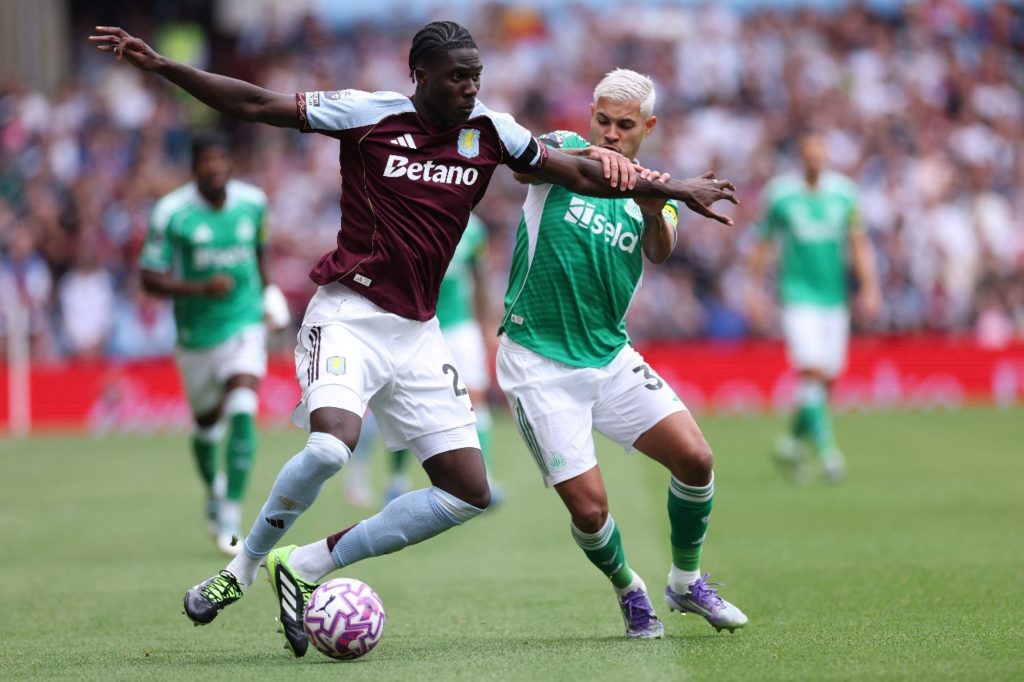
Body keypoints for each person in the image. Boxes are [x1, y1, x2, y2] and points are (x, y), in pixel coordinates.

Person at [91, 21, 737, 658]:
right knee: (330, 447)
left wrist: (677, 189)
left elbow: (583, 175)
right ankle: (244, 568)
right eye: (458, 78)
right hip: (348, 312)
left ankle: (304, 562)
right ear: (420, 76)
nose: (470, 89)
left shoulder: (491, 131)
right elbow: (257, 104)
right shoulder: (368, 113)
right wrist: (164, 67)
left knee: (467, 493)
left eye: (476, 77)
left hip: (417, 333)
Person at [494, 69, 747, 638]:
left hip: (610, 358)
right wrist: (594, 155)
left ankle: (686, 583)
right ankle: (629, 588)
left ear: (648, 127)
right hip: (537, 360)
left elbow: (660, 250)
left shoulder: (656, 190)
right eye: (603, 120)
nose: (611, 133)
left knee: (696, 459)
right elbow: (521, 164)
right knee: (590, 511)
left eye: (625, 126)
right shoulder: (563, 148)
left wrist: (655, 207)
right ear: (591, 116)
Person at [138, 131, 290, 555]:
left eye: (222, 159)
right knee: (207, 427)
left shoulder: (253, 202)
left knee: (243, 407)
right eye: (208, 160)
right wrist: (200, 289)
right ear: (194, 167)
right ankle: (214, 490)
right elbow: (149, 278)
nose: (216, 167)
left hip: (244, 322)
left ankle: (231, 514)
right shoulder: (172, 213)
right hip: (196, 335)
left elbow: (261, 250)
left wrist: (270, 292)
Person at [749, 129, 880, 483]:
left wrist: (869, 288)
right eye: (809, 152)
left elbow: (859, 244)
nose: (815, 158)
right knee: (812, 371)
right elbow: (762, 246)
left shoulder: (844, 194)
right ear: (801, 156)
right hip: (797, 296)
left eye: (820, 152)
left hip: (834, 297)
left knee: (827, 380)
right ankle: (828, 453)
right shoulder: (780, 195)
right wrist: (755, 292)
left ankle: (791, 443)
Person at [380, 212, 503, 506]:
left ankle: (484, 479)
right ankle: (397, 481)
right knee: (405, 403)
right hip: (415, 325)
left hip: (459, 325)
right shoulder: (409, 217)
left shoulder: (473, 228)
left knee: (474, 399)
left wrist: (487, 325)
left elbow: (479, 278)